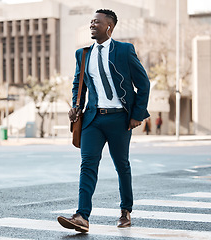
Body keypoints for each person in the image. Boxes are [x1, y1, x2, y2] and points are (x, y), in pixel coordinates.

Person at [57, 9, 150, 233]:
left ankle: (125, 210)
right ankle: (82, 216)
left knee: (122, 165)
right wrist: (76, 106)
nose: (92, 24)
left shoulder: (125, 50)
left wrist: (137, 115)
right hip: (93, 119)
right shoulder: (83, 54)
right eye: (91, 21)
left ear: (109, 26)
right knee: (87, 165)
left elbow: (143, 83)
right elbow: (78, 83)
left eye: (96, 22)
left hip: (119, 119)